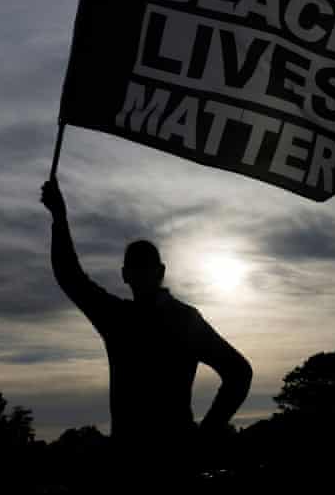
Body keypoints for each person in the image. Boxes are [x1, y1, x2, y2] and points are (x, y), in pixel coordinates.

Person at [40, 177, 252, 484]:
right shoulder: (141, 318)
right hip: (149, 464)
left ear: (157, 272)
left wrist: (205, 435)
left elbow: (239, 373)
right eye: (136, 268)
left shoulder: (140, 319)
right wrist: (59, 218)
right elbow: (70, 276)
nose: (141, 274)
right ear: (129, 274)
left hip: (156, 465)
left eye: (144, 267)